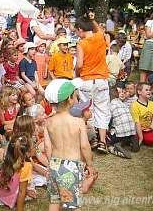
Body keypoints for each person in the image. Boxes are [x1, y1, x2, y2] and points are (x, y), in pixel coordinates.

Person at [44, 79, 96, 210]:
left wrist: (51, 164)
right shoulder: (78, 122)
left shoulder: (48, 122)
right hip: (71, 166)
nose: (76, 96)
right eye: (75, 94)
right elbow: (84, 146)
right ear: (69, 98)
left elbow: (47, 146)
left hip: (54, 164)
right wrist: (89, 165)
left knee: (54, 201)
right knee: (72, 205)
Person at [75, 17, 110, 153]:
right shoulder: (100, 37)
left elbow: (79, 65)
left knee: (87, 110)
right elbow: (97, 29)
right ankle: (102, 141)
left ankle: (92, 138)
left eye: (77, 31)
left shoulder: (81, 44)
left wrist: (76, 73)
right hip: (101, 80)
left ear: (80, 29)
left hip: (87, 80)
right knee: (102, 110)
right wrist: (92, 19)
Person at [0, 133, 33, 210]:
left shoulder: (9, 157)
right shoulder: (26, 166)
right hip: (6, 197)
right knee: (29, 190)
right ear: (27, 152)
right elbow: (21, 192)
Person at [109, 86, 139, 155]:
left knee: (110, 133)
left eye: (123, 92)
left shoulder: (111, 104)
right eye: (119, 92)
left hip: (119, 134)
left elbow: (109, 119)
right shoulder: (125, 104)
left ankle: (117, 144)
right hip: (132, 131)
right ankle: (129, 141)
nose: (122, 94)